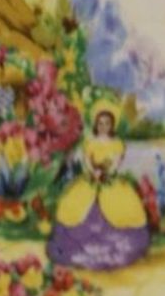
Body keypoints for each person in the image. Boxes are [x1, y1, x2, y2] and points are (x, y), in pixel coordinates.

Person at [47, 101, 150, 272]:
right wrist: (93, 171)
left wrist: (106, 172)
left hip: (109, 179)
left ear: (112, 125)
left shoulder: (117, 143)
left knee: (120, 205)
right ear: (96, 124)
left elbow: (116, 163)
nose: (103, 126)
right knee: (75, 203)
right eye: (100, 123)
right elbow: (87, 160)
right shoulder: (90, 142)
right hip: (91, 178)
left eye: (107, 123)